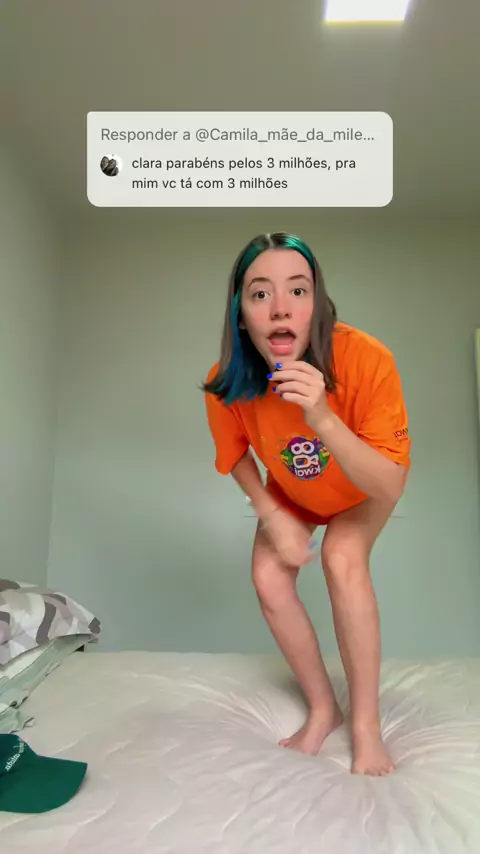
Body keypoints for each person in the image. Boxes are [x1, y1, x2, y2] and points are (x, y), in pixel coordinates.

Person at [202, 232, 411, 776]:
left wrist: (321, 416)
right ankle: (324, 709)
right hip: (294, 488)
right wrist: (272, 514)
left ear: (317, 303)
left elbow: (389, 484)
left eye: (298, 290)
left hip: (363, 486)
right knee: (268, 577)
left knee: (343, 558)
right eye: (260, 293)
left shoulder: (367, 359)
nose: (280, 308)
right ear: (240, 314)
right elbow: (235, 455)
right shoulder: (226, 382)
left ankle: (366, 727)